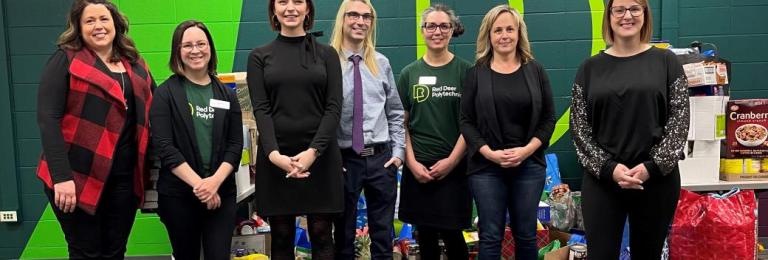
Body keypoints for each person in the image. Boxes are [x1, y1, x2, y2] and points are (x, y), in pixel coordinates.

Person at [35, 0, 155, 258]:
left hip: (123, 178)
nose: (98, 26)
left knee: (115, 251)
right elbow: (48, 119)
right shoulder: (65, 60)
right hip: (76, 178)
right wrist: (61, 178)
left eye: (104, 19)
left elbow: (155, 111)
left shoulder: (134, 64)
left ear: (116, 24)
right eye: (90, 21)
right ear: (78, 27)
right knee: (86, 251)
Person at [570, 0, 689, 258]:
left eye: (635, 8)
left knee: (648, 253)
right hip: (603, 181)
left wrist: (651, 167)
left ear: (645, 15)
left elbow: (679, 123)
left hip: (656, 181)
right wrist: (610, 169)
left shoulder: (666, 61)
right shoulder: (588, 68)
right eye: (619, 9)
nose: (627, 16)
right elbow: (580, 130)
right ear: (609, 16)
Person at [247, 0, 343, 258]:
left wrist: (313, 152)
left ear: (308, 9)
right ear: (273, 10)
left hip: (320, 158)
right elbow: (261, 109)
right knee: (281, 236)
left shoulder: (327, 54)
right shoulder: (259, 56)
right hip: (277, 157)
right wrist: (274, 155)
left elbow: (334, 108)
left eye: (298, 1)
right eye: (282, 1)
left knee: (322, 234)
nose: (290, 8)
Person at [460, 5, 555, 260]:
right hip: (486, 168)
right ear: (488, 35)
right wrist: (489, 153)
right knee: (490, 237)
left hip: (529, 167)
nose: (504, 35)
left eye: (509, 29)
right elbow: (466, 122)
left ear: (519, 33)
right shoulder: (476, 73)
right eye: (497, 30)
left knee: (526, 235)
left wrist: (526, 151)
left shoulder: (535, 71)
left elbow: (548, 120)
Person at [149, 20, 243, 260]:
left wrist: (214, 183)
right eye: (187, 45)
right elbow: (165, 147)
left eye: (201, 43)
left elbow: (234, 146)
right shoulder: (165, 94)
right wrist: (201, 186)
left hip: (222, 193)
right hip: (179, 196)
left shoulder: (226, 95)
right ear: (177, 51)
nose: (195, 50)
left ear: (210, 48)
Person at [328, 0, 405, 259]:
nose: (360, 21)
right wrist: (330, 158)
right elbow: (321, 116)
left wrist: (398, 154)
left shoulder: (381, 63)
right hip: (344, 160)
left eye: (366, 16)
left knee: (383, 234)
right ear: (343, 19)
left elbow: (395, 111)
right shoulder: (328, 63)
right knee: (343, 235)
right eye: (354, 15)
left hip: (381, 160)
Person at [397, 4, 472, 260]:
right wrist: (413, 163)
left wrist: (451, 161)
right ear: (422, 31)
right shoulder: (409, 74)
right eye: (431, 26)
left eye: (444, 26)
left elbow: (471, 123)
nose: (437, 31)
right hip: (418, 170)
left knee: (453, 235)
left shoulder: (466, 72)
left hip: (454, 169)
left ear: (452, 30)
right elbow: (401, 124)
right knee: (425, 235)